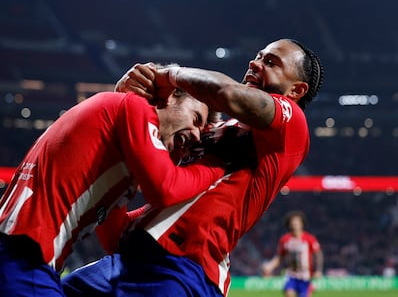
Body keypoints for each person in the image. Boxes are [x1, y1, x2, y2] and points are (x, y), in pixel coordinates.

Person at [62, 38, 324, 296]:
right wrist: (136, 98)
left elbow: (227, 93)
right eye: (257, 56)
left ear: (296, 90)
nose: (255, 63)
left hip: (185, 270)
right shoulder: (207, 133)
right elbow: (160, 201)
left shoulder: (292, 127)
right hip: (126, 260)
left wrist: (165, 75)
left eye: (270, 62)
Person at [0, 82, 228, 296]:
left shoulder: (117, 161)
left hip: (21, 256)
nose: (197, 134)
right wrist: (216, 168)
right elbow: (165, 189)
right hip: (23, 257)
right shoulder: (135, 106)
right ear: (171, 96)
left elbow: (114, 238)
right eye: (196, 118)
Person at [262, 210, 323, 297]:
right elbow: (280, 257)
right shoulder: (285, 239)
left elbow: (318, 254)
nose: (294, 224)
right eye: (292, 222)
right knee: (289, 294)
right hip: (291, 275)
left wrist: (318, 270)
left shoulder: (309, 239)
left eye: (297, 222)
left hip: (305, 277)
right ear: (289, 224)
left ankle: (310, 287)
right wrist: (270, 266)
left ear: (302, 224)